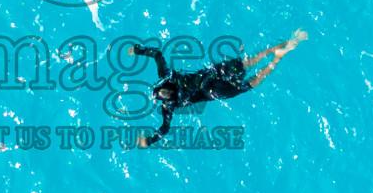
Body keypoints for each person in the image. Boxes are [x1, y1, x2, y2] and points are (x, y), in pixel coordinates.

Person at [127, 30, 307, 146]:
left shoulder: (169, 105)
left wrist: (149, 141)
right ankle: (289, 41)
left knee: (254, 79)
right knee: (251, 61)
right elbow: (157, 54)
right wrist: (137, 49)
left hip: (215, 91)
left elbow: (164, 129)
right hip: (213, 75)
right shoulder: (167, 76)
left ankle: (280, 55)